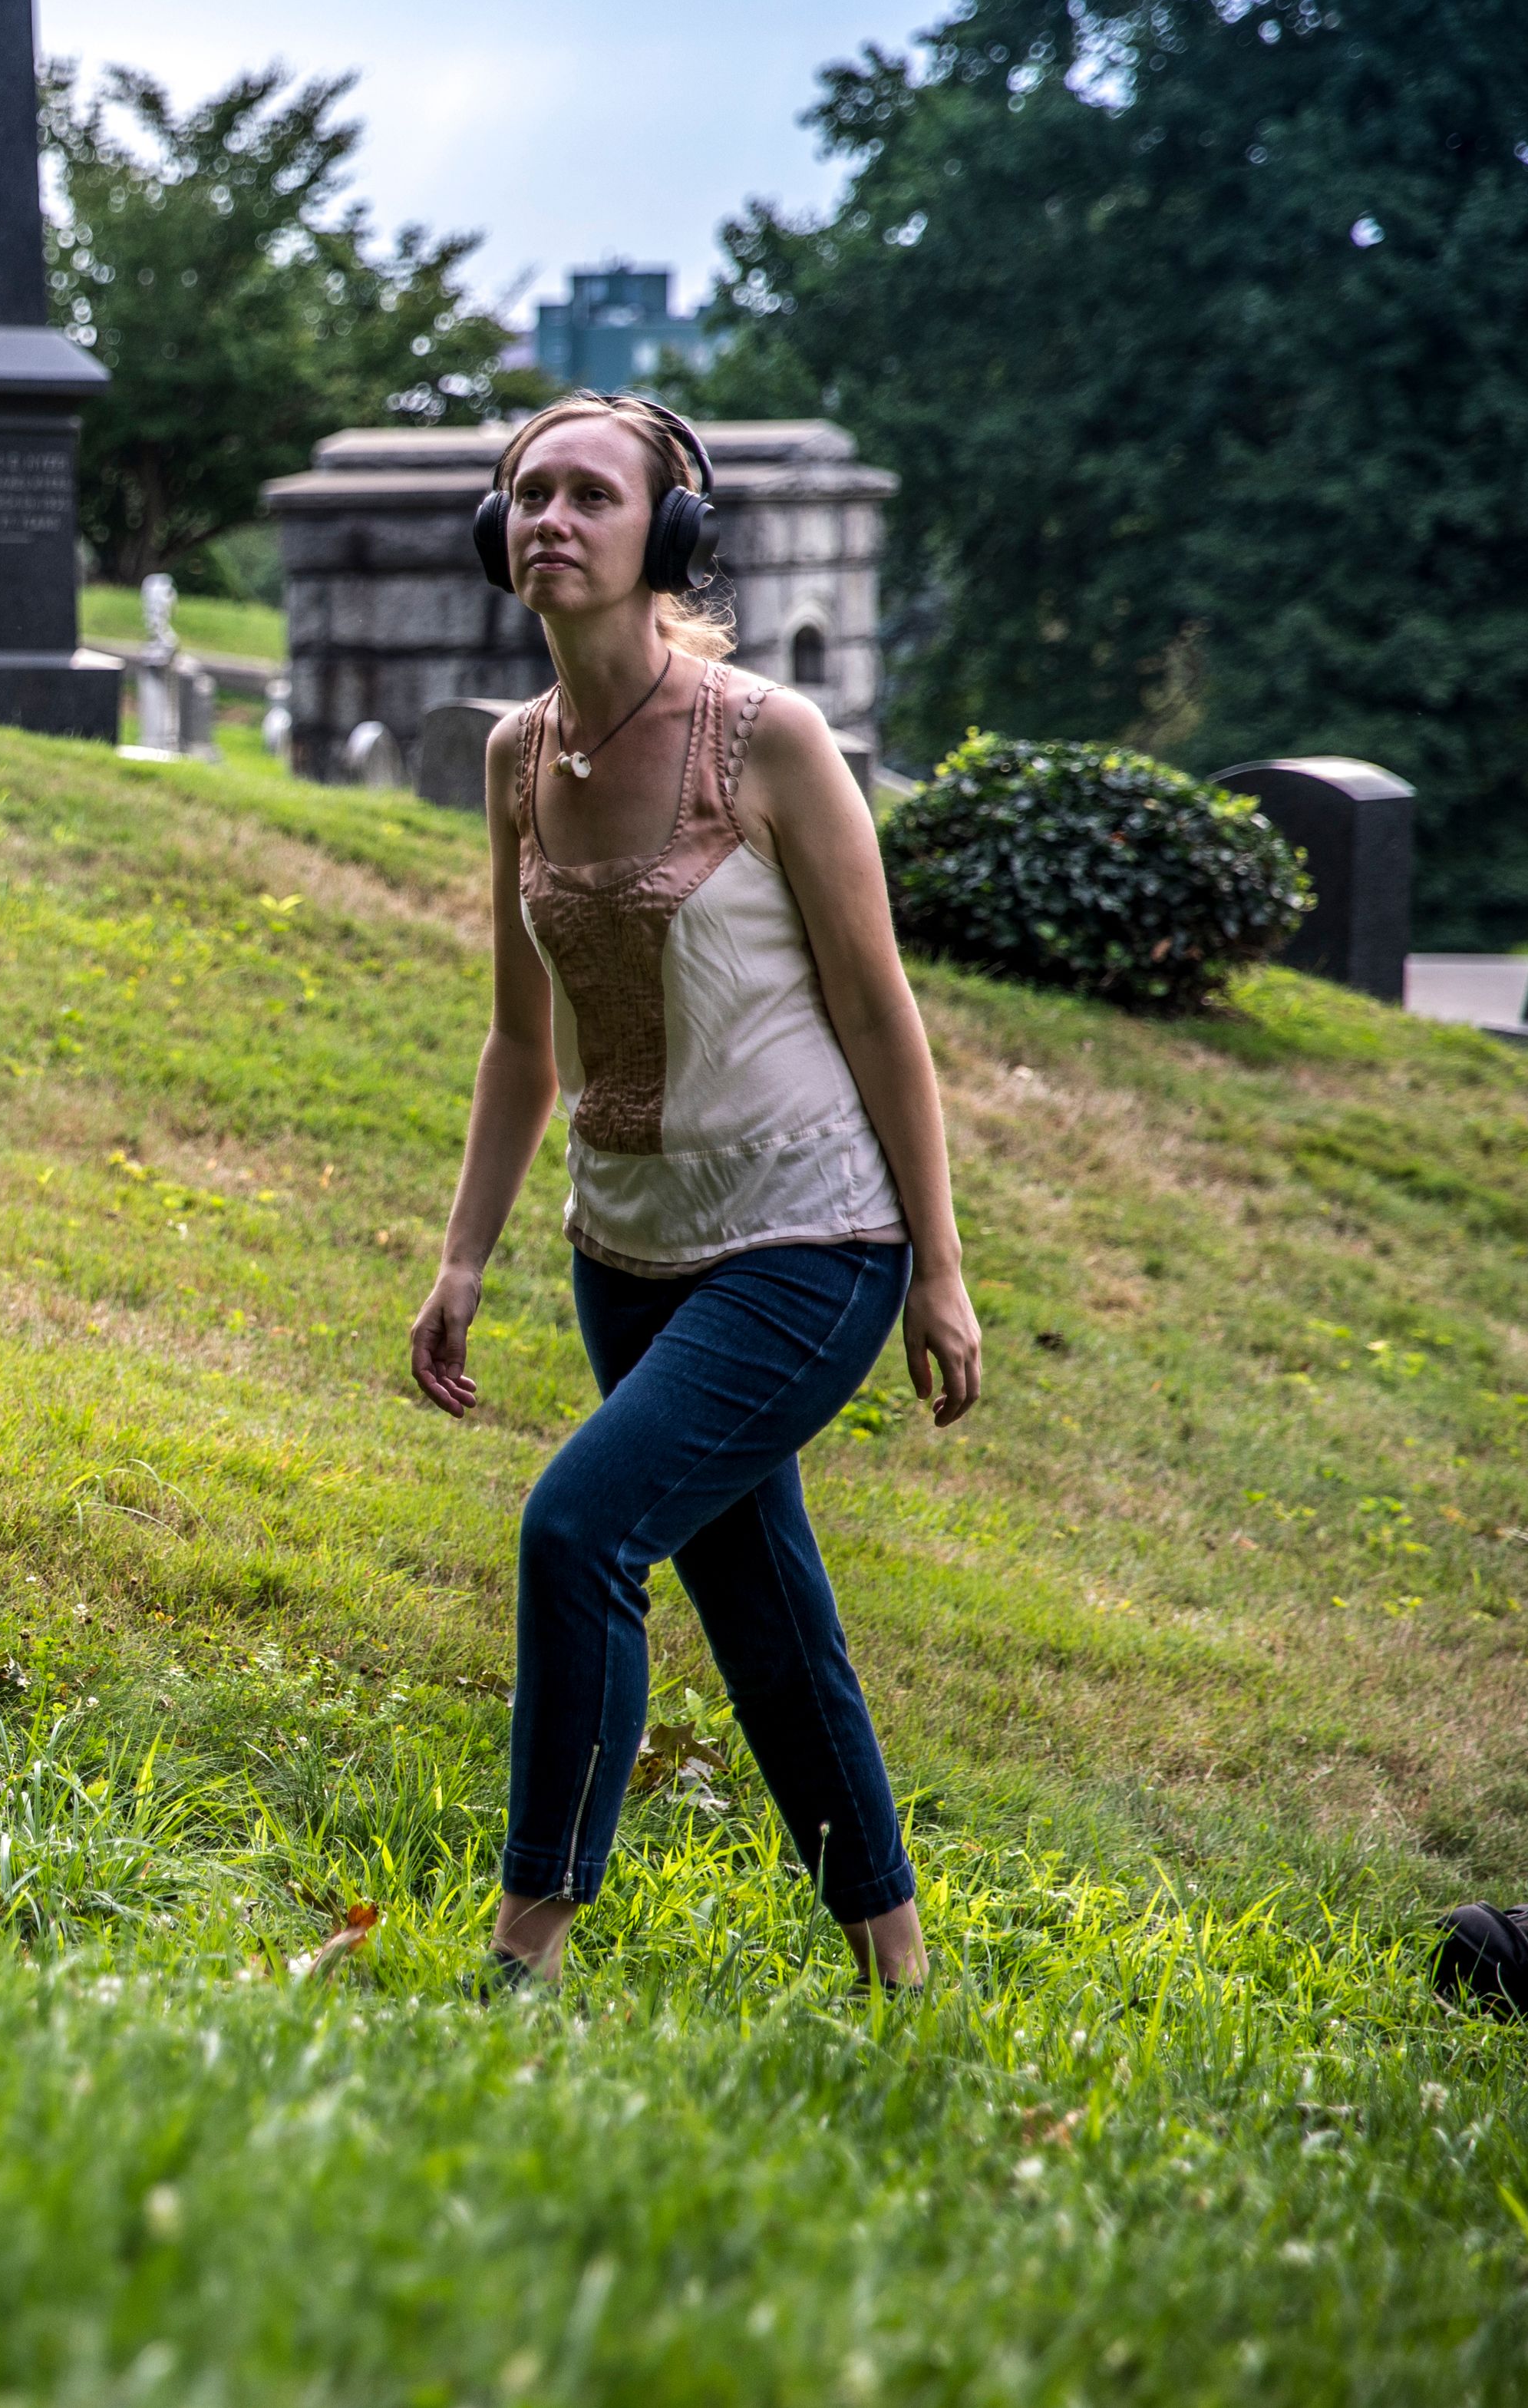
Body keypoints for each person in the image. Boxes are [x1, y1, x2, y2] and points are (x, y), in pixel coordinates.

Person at [404, 394, 982, 1993]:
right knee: (762, 1599)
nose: (551, 518)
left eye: (591, 494)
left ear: (665, 535)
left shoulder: (769, 738)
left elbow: (881, 1011)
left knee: (577, 1527)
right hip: (627, 1248)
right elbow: (524, 1036)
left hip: (815, 1239)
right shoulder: (517, 755)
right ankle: (898, 1958)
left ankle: (527, 1943)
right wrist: (464, 1258)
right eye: (527, 494)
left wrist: (938, 1266)